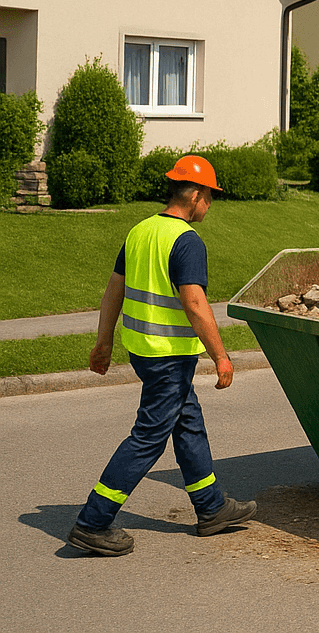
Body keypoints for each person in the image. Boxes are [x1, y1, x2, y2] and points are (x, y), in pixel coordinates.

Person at [68, 155, 257, 556]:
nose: (211, 205)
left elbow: (112, 291)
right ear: (198, 195)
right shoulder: (186, 241)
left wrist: (104, 343)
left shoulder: (139, 231)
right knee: (148, 437)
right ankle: (93, 521)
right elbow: (195, 303)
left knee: (187, 424)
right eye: (211, 197)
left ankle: (212, 508)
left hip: (145, 351)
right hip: (168, 357)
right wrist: (221, 356)